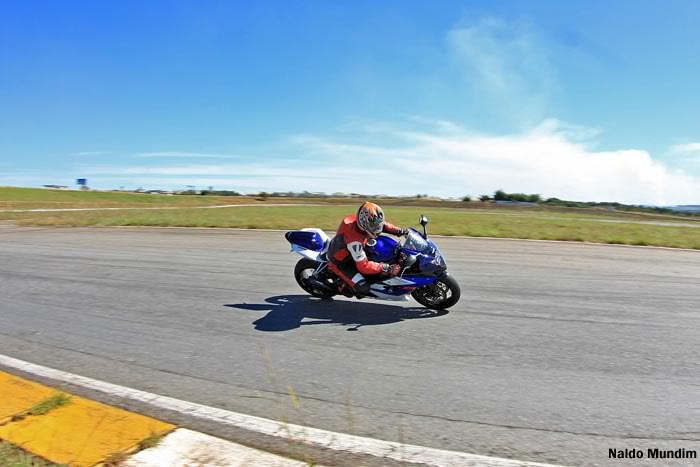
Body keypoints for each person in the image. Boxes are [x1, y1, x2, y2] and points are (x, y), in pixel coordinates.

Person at [327, 201, 408, 296]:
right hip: (341, 263)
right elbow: (363, 266)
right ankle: (342, 286)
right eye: (373, 226)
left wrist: (402, 231)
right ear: (363, 222)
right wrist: (387, 268)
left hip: (348, 250)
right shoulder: (355, 242)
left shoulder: (363, 221)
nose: (377, 228)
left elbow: (383, 225)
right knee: (363, 287)